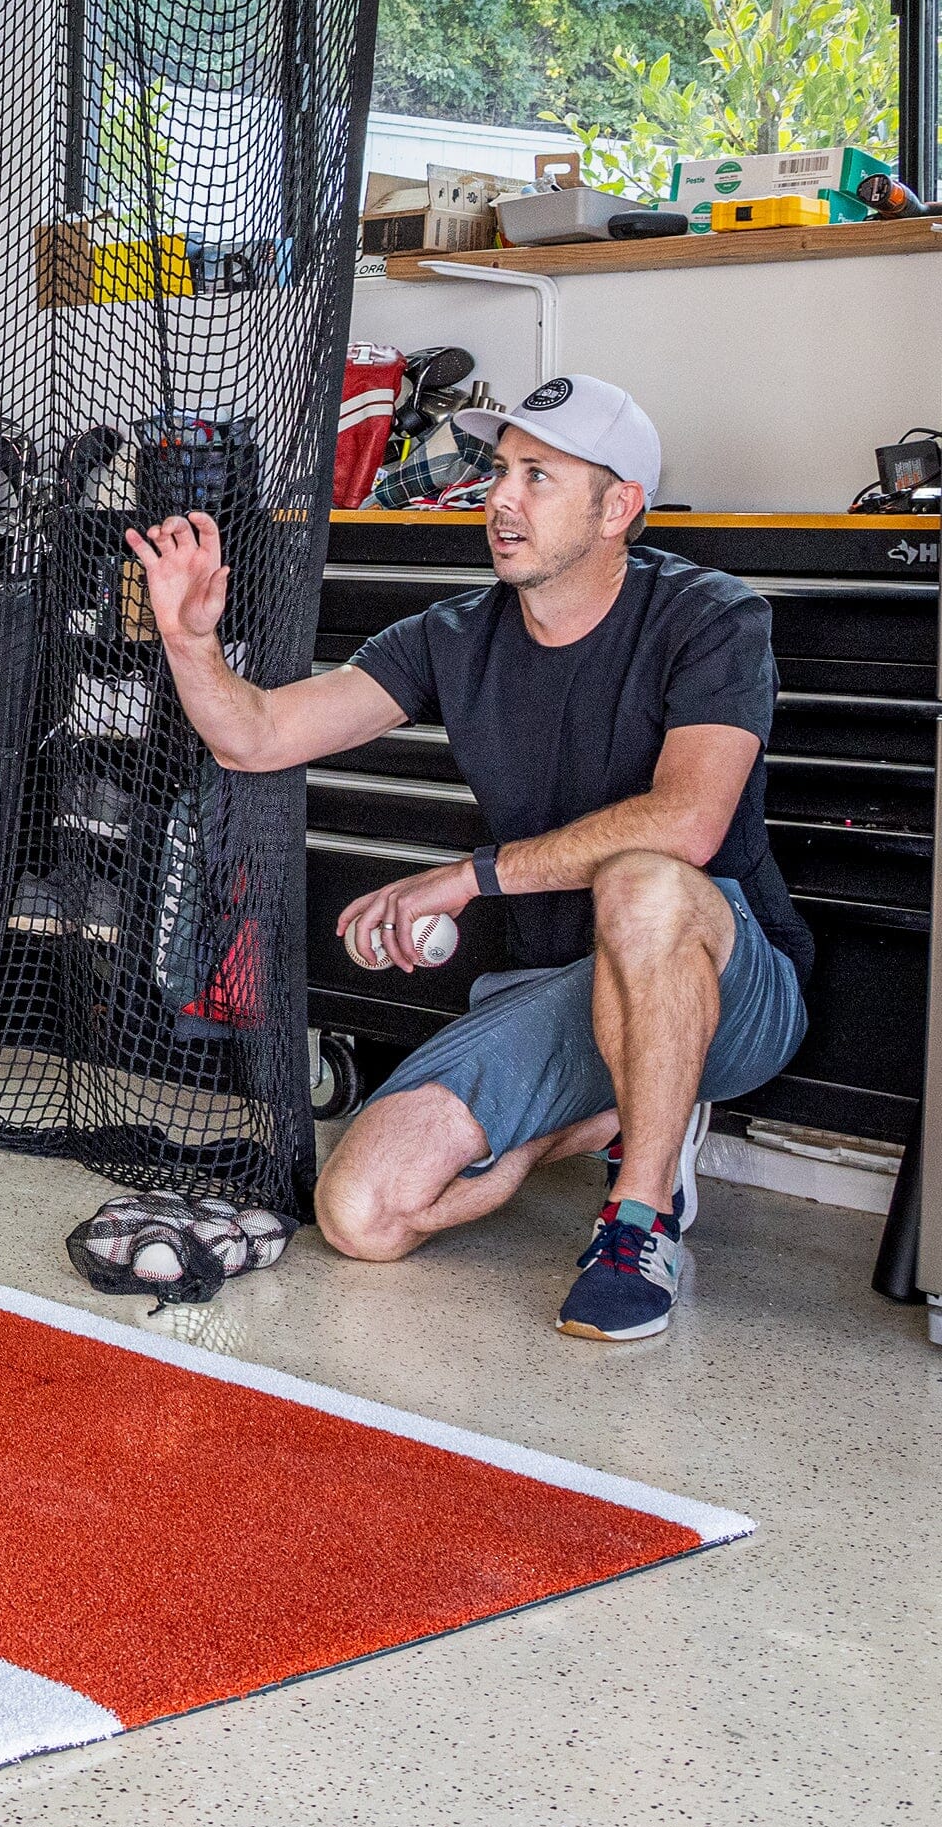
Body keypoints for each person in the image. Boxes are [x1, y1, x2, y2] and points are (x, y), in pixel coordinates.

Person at [127, 373, 810, 1341]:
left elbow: (688, 825)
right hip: (558, 990)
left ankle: (638, 1220)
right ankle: (617, 1115)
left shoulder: (713, 618)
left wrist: (471, 875)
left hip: (730, 982)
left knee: (647, 886)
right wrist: (191, 643)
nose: (500, 499)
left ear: (620, 508)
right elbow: (261, 736)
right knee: (361, 1211)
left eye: (539, 477)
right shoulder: (453, 634)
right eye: (500, 472)